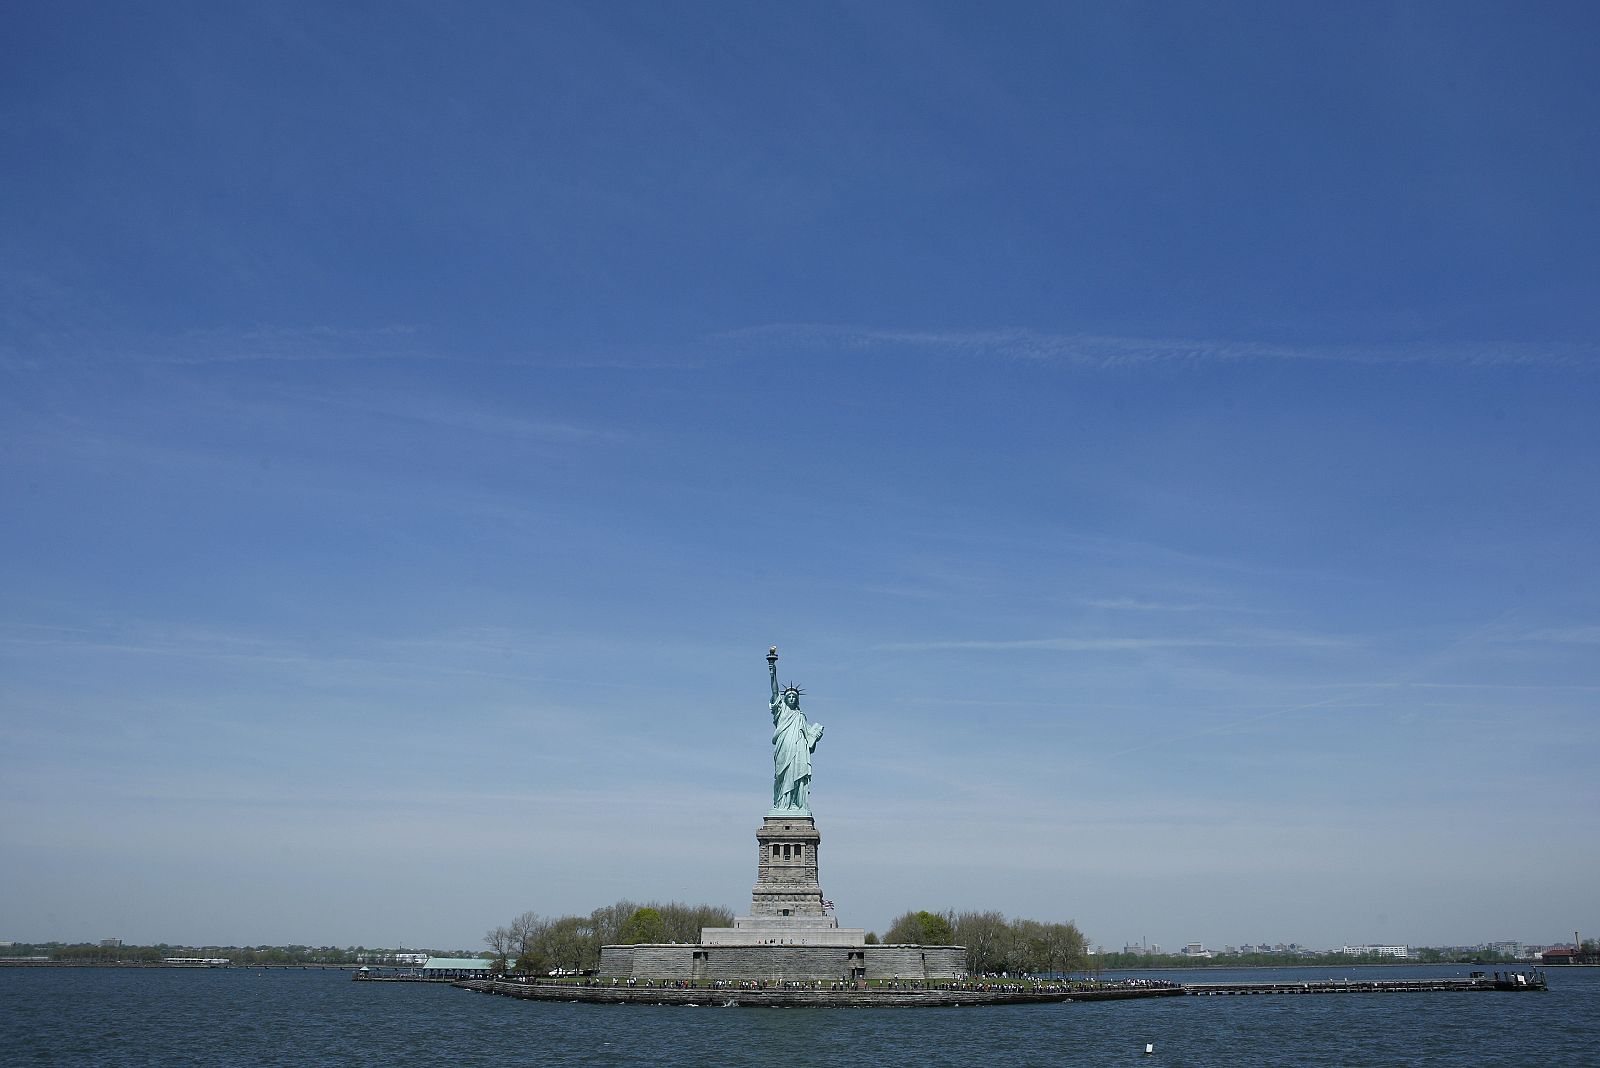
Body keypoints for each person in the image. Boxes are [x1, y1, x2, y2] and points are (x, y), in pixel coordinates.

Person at [767, 646, 824, 812]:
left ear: (797, 700)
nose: (791, 698)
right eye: (788, 696)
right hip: (784, 748)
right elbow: (775, 690)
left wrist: (816, 734)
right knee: (782, 776)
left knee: (797, 775)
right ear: (784, 699)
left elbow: (810, 738)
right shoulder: (781, 711)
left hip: (798, 750)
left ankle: (796, 805)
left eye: (794, 696)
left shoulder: (801, 717)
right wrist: (772, 670)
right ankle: (782, 804)